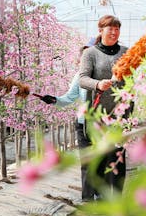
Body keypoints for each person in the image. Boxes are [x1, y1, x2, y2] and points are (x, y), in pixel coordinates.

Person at [78, 15, 128, 197]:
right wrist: (98, 84)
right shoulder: (90, 53)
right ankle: (94, 202)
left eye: (117, 29)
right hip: (97, 114)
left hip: (120, 115)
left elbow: (131, 79)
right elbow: (83, 79)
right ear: (101, 31)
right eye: (110, 29)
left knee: (117, 159)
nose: (114, 32)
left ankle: (116, 201)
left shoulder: (125, 52)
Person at [38, 44, 94, 200]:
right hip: (84, 123)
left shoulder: (105, 74)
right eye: (84, 58)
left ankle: (104, 196)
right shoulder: (79, 77)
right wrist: (54, 100)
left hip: (104, 123)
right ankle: (88, 199)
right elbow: (69, 98)